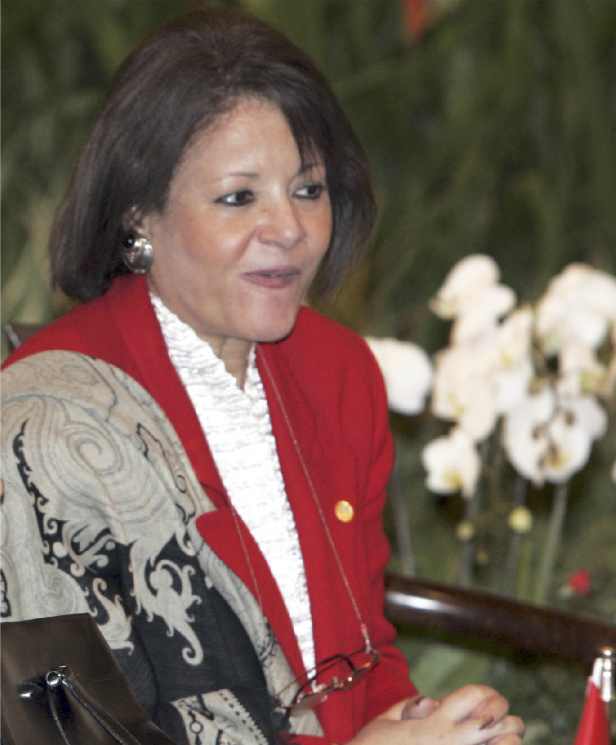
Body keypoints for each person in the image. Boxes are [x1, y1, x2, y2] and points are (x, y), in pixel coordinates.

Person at [1, 6, 524, 745]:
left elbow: (363, 653)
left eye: (308, 189)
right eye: (239, 197)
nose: (291, 229)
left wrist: (428, 721)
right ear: (139, 215)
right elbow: (78, 730)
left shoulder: (339, 369)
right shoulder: (50, 420)